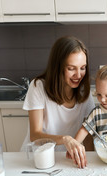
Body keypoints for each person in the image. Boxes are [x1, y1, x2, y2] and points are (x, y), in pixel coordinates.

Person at [21, 36, 95, 168]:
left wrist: (90, 158)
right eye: (71, 68)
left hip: (67, 159)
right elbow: (35, 135)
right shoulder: (38, 87)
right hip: (39, 158)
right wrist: (65, 139)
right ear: (57, 67)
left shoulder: (85, 92)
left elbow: (88, 132)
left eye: (82, 68)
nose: (78, 75)